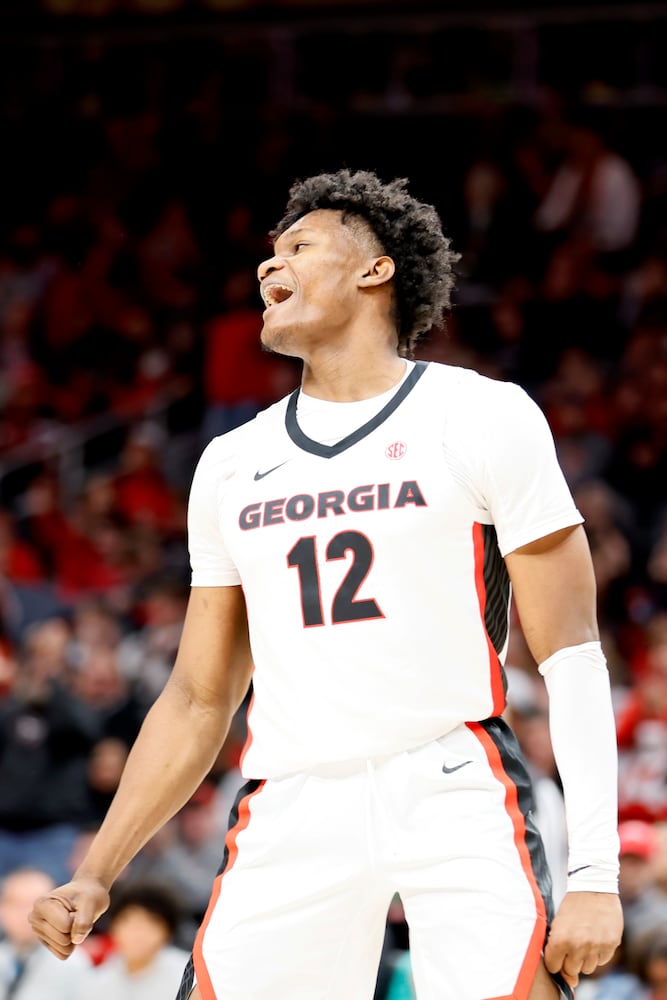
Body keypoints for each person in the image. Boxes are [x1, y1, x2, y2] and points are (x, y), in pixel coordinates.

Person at [28, 168, 623, 999]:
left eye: (300, 247)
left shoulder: (482, 416)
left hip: (451, 777)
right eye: (269, 255)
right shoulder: (231, 463)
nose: (271, 268)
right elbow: (200, 697)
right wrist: (98, 868)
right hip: (291, 792)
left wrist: (594, 872)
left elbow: (572, 655)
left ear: (375, 270)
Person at [79, 878, 190, 999]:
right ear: (113, 927)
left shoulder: (188, 977)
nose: (138, 934)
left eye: (150, 924)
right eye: (130, 922)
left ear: (167, 932)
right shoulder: (98, 980)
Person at [0, 867, 90, 999]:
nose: (26, 913)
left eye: (35, 904)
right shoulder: (4, 956)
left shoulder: (74, 964)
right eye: (17, 903)